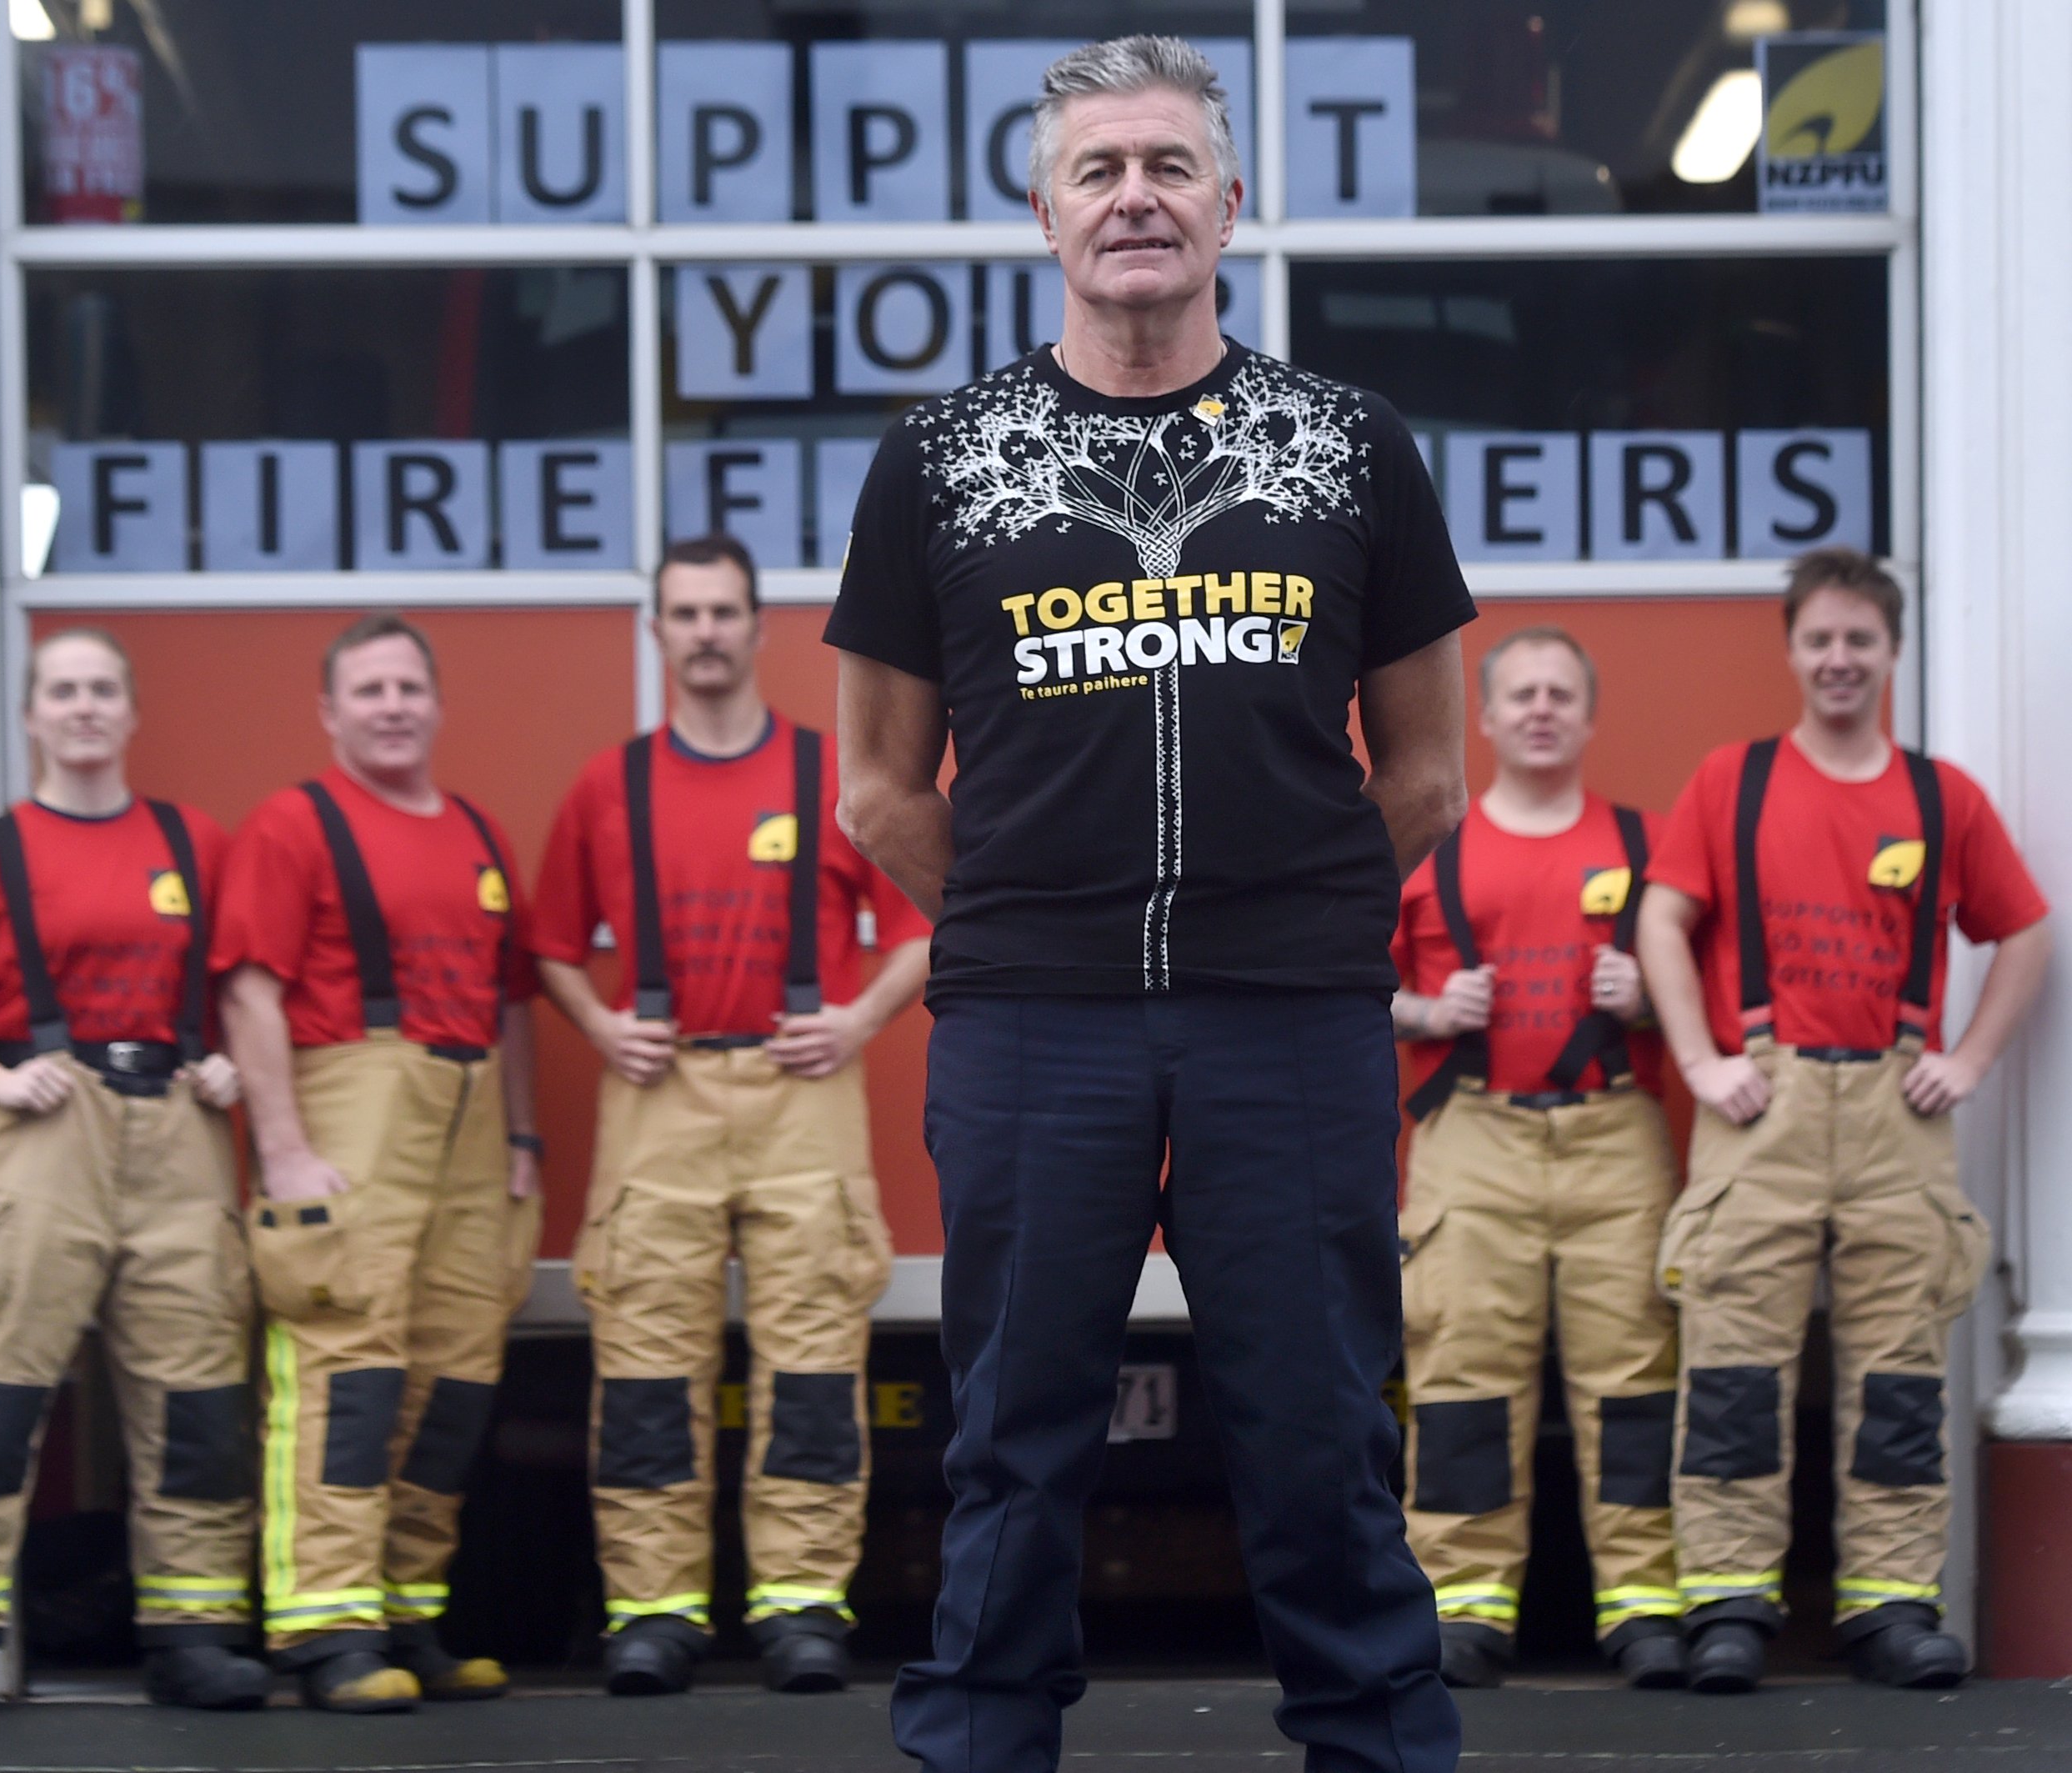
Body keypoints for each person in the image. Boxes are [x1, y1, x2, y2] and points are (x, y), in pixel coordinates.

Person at [825, 35, 1474, 1773]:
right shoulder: (940, 457)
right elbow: (876, 786)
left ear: (1231, 205)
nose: (1136, 197)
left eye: (1170, 166)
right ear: (1042, 211)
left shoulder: (1348, 446)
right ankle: (978, 1745)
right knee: (1013, 1444)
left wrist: (1297, 908)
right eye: (1099, 169)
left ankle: (1381, 1745)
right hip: (1036, 1026)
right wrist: (1046, 913)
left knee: (1322, 1432)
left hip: (1294, 1022)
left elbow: (1426, 768)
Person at [1637, 548, 2051, 1693]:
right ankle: (1725, 1600)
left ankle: (1890, 1602)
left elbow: (2025, 932)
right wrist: (1698, 1057)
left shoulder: (1941, 796)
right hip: (1758, 1103)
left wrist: (1966, 1058)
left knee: (1900, 1373)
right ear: (1790, 646)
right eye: (1818, 638)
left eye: (1858, 640)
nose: (1836, 658)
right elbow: (1661, 922)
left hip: (1892, 1109)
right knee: (1731, 1369)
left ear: (1891, 651)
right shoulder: (1734, 779)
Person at [533, 534, 931, 1696]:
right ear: (656, 633)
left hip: (802, 1091)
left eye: (722, 611)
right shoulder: (611, 785)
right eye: (683, 612)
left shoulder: (828, 774)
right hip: (654, 1100)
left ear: (759, 629)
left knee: (814, 1364)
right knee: (647, 1370)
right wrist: (603, 1027)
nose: (704, 631)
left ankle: (802, 1605)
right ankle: (651, 1610)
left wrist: (855, 1020)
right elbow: (553, 945)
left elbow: (921, 921)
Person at [0, 629, 266, 1718]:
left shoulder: (196, 843)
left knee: (195, 1401)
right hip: (42, 1133)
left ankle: (192, 1632)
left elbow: (240, 983)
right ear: (32, 715)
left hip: (180, 1129)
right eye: (63, 690)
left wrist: (231, 1060)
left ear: (131, 715)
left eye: (102, 689)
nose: (84, 706)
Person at [214, 614, 543, 1713]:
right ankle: (326, 1623)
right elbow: (248, 989)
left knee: (451, 1379)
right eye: (369, 689)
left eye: (409, 685)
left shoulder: (476, 832)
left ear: (438, 703)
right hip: (349, 1107)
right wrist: (285, 1149)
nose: (393, 704)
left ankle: (407, 1607)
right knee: (348, 1373)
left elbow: (510, 1005)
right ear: (330, 711)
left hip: (468, 1114)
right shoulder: (291, 824)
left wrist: (525, 1137)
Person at [1390, 627, 1682, 1691]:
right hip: (1471, 1136)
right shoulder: (1429, 851)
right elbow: (1337, 980)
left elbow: (1701, 989)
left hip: (1615, 1137)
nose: (1543, 709)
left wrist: (1646, 998)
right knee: (1462, 1373)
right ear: (1486, 718)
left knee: (1636, 1377)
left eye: (1562, 693)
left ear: (1589, 716)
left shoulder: (1650, 850)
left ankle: (1646, 1603)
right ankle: (1464, 1606)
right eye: (1522, 694)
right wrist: (1426, 1005)